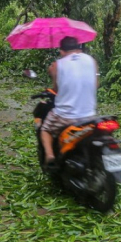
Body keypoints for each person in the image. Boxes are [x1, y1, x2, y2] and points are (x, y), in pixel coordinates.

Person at [41, 36, 98, 166]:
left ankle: (50, 156)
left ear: (61, 51)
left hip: (66, 116)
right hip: (89, 115)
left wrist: (52, 71)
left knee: (45, 130)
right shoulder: (91, 60)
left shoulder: (58, 65)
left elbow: (56, 89)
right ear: (79, 48)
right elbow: (96, 84)